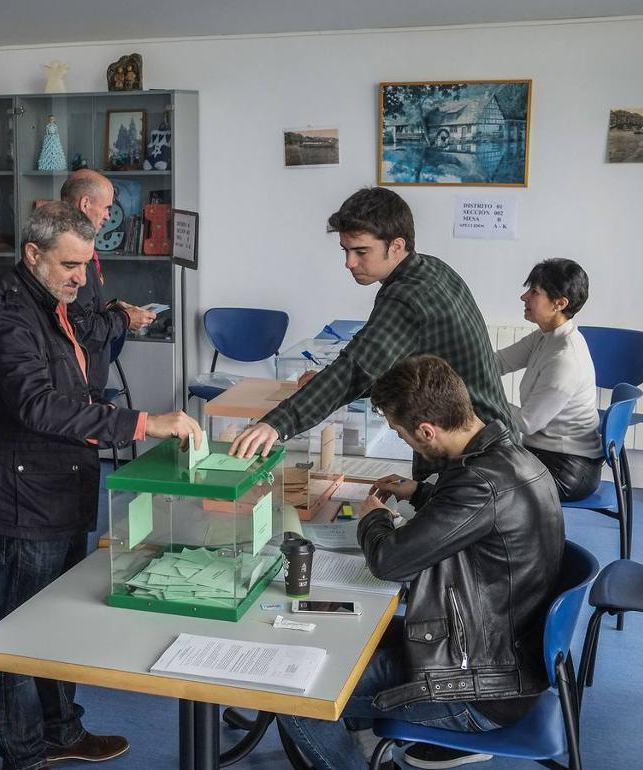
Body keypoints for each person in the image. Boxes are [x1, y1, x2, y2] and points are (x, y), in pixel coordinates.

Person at [0, 202, 203, 770]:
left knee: (60, 616)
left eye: (86, 265)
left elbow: (70, 384)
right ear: (32, 255)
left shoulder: (51, 301)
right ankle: (22, 751)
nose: (79, 278)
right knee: (21, 626)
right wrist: (141, 423)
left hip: (60, 481)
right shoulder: (5, 315)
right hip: (24, 490)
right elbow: (38, 404)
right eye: (69, 265)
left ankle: (63, 730)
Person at [276, 355, 564, 770]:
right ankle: (362, 742)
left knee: (295, 693)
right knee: (351, 636)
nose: (403, 440)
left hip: (479, 685)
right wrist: (419, 493)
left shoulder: (478, 485)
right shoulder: (510, 457)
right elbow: (480, 519)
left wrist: (371, 516)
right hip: (501, 647)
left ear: (427, 431)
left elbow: (389, 562)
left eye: (401, 433)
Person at [230, 187, 513, 482]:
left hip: (475, 457)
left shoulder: (407, 297)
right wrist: (326, 382)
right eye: (346, 250)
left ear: (396, 246)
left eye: (361, 252)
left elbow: (355, 368)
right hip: (488, 439)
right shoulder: (431, 269)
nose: (349, 263)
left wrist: (276, 424)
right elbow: (391, 367)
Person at [495, 259, 602, 501]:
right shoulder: (546, 337)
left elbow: (527, 423)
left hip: (568, 470)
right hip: (544, 454)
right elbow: (498, 363)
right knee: (476, 467)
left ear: (559, 304)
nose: (524, 297)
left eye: (534, 292)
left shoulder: (565, 358)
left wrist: (478, 397)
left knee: (482, 482)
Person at [59, 170, 156, 400]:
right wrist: (126, 319)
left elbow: (79, 310)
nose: (107, 216)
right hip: (74, 384)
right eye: (106, 208)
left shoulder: (76, 247)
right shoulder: (68, 253)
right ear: (85, 203)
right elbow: (83, 329)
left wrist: (111, 307)